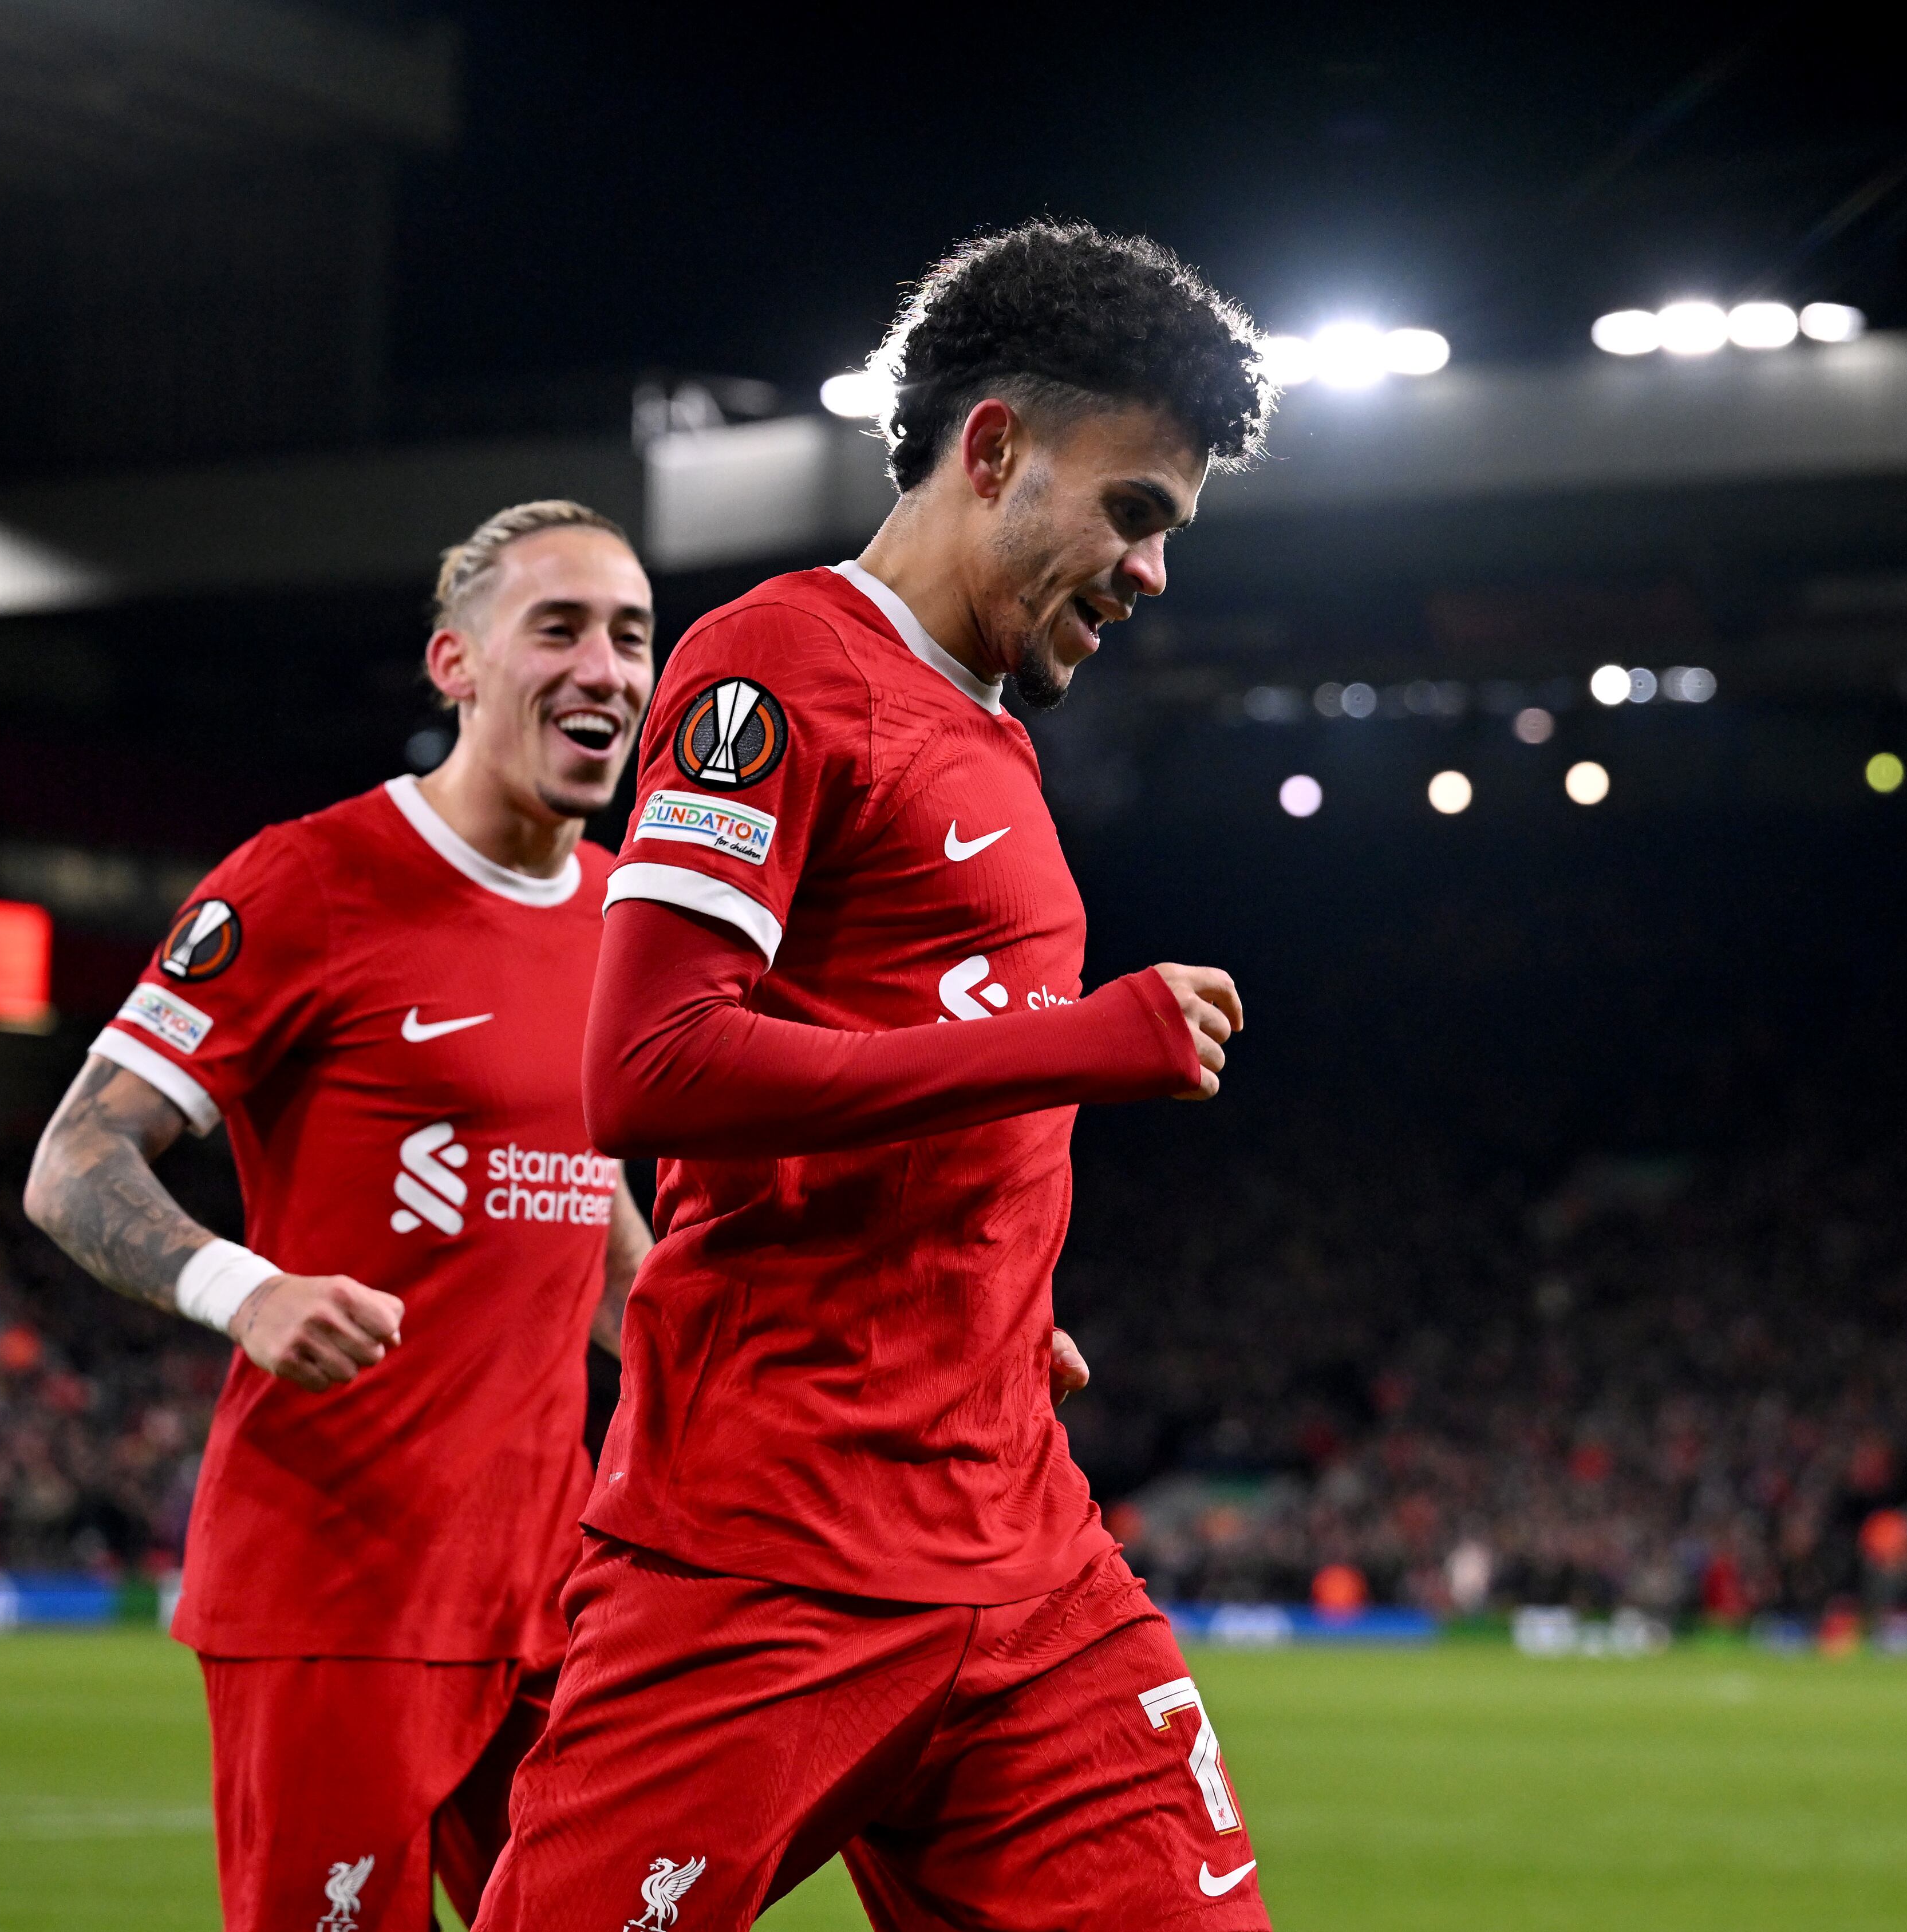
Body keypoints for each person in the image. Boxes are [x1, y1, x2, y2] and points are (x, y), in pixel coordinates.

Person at [477, 220, 1279, 1932]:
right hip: (769, 1560)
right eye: (1131, 511)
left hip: (1019, 1548)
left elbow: (901, 1061)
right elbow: (650, 1065)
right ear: (991, 449)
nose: (1150, 572)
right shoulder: (773, 667)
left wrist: (985, 1282)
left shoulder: (989, 734)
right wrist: (1076, 1046)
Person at [24, 500, 661, 1932]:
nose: (606, 668)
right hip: (338, 1591)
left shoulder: (629, 918)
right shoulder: (310, 882)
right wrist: (243, 1289)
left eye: (630, 636)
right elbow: (73, 1161)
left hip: (550, 1591)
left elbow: (608, 1248)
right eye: (557, 628)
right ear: (455, 664)